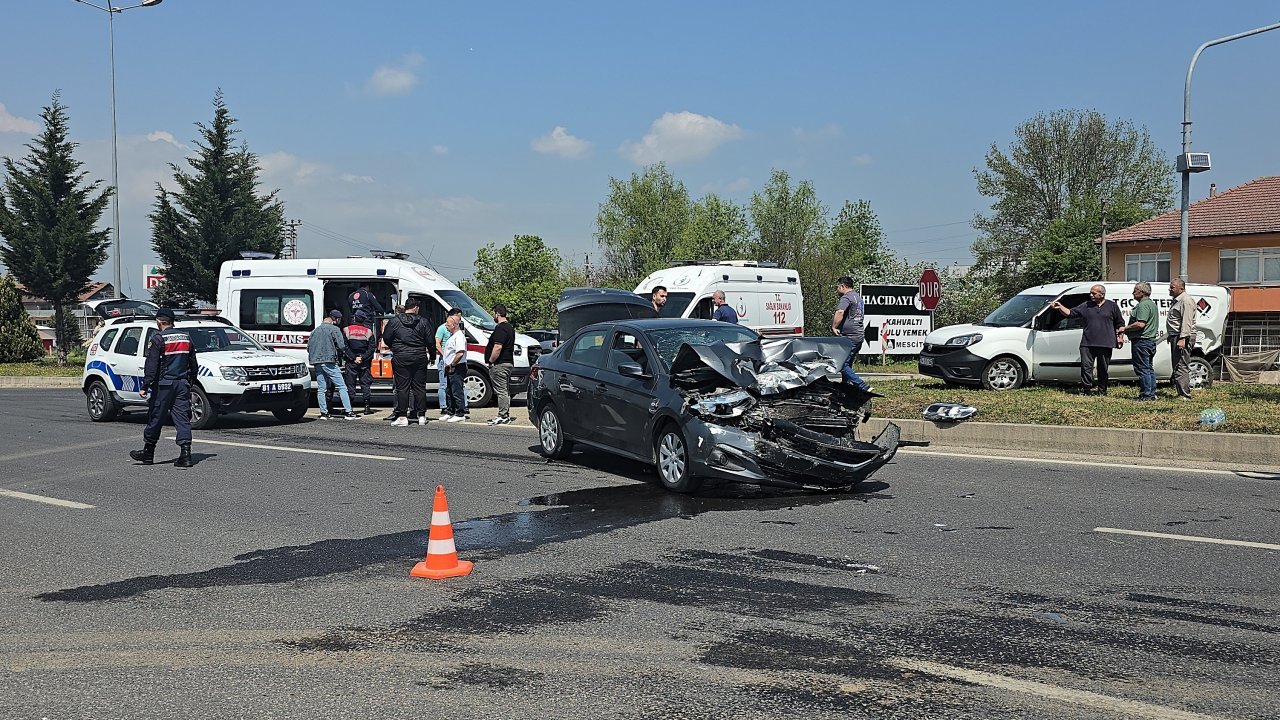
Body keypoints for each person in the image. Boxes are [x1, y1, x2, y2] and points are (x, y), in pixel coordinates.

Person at [129, 308, 198, 467]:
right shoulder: (185, 337)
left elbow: (152, 364)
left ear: (159, 321)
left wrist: (145, 385)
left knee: (156, 417)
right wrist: (191, 380)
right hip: (182, 384)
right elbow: (193, 362)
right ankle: (185, 455)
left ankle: (148, 453)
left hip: (164, 386)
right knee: (182, 418)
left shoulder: (158, 338)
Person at [1050, 284, 1124, 395]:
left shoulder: (1112, 306)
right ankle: (1087, 390)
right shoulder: (1086, 305)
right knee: (1086, 367)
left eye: (1094, 293)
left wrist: (1120, 337)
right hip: (1087, 343)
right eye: (1091, 292)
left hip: (1105, 343)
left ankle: (1102, 391)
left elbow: (1120, 323)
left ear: (1102, 294)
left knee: (1103, 369)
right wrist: (1060, 307)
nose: (1091, 295)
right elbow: (1070, 313)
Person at [382, 298, 433, 426]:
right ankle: (421, 416)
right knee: (420, 387)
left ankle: (403, 416)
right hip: (419, 356)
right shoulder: (423, 322)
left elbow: (386, 337)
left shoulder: (395, 321)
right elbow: (430, 341)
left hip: (401, 356)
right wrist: (432, 356)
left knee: (402, 387)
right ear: (415, 308)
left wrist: (395, 347)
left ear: (406, 308)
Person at [308, 310, 358, 420]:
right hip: (329, 361)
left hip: (316, 362)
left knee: (322, 388)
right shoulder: (334, 329)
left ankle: (324, 413)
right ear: (336, 319)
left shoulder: (314, 331)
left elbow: (308, 347)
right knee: (341, 386)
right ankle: (349, 412)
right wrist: (352, 357)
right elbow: (341, 345)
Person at [1119, 282, 1159, 401]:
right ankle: (1151, 393)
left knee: (1142, 369)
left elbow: (1141, 324)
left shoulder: (1143, 305)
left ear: (1142, 292)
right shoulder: (1151, 304)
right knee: (1148, 368)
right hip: (1150, 341)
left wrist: (1125, 328)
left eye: (1135, 290)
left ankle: (1146, 395)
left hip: (1142, 341)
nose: (1133, 292)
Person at [832, 277, 871, 392]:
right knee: (847, 363)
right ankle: (846, 389)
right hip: (858, 335)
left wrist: (834, 327)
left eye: (837, 287)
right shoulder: (858, 297)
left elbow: (840, 311)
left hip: (850, 336)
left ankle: (862, 385)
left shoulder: (846, 297)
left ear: (842, 286)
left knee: (841, 364)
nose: (837, 290)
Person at [1167, 277, 1198, 400]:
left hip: (1183, 336)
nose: (1169, 289)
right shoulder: (1177, 301)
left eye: (1172, 287)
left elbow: (1186, 321)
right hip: (1176, 336)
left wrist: (1182, 338)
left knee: (1181, 365)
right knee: (1177, 365)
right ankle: (1181, 392)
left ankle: (1185, 394)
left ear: (1181, 288)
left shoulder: (1186, 300)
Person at [485, 304, 515, 425]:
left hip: (500, 364)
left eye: (494, 314)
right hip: (508, 362)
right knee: (505, 390)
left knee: (501, 391)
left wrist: (491, 361)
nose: (493, 316)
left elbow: (497, 347)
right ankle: (505, 414)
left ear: (497, 314)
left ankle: (503, 415)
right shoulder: (510, 328)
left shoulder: (501, 328)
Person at [344, 309, 376, 414]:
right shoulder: (369, 332)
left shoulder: (346, 330)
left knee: (350, 384)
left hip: (351, 362)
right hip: (364, 362)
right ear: (363, 320)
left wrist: (354, 358)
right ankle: (367, 407)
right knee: (365, 384)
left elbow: (344, 347)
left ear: (354, 318)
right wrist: (362, 358)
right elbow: (372, 348)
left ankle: (350, 408)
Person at [441, 308, 469, 422]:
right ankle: (450, 411)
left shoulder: (459, 336)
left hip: (457, 367)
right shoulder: (452, 336)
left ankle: (460, 413)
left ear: (454, 325)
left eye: (448, 323)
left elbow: (460, 353)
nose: (446, 325)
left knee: (457, 390)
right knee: (449, 390)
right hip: (450, 366)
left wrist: (452, 364)